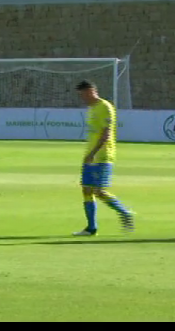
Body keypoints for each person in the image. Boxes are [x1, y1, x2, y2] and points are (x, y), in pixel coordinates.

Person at [73, 80, 134, 237]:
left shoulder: (105, 107)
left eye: (83, 94)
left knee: (99, 191)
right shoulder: (91, 108)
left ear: (91, 91)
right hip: (90, 155)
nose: (83, 98)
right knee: (86, 189)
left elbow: (106, 134)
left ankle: (125, 212)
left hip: (102, 155)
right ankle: (91, 228)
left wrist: (93, 153)